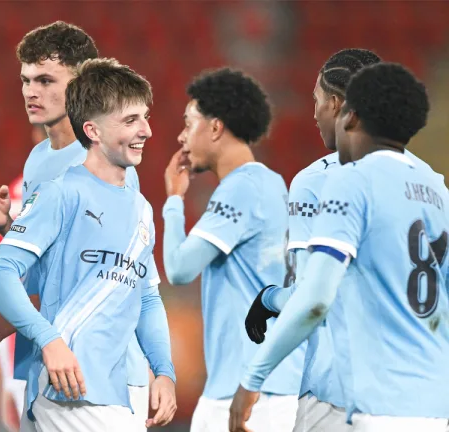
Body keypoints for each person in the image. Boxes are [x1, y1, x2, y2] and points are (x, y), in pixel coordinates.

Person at [230, 62, 449, 432]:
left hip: (370, 405)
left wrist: (253, 377)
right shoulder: (438, 190)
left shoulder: (348, 181)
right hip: (434, 407)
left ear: (350, 115)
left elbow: (314, 298)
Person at [0, 22, 168, 430]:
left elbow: (109, 275)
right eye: (25, 80)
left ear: (80, 84)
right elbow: (66, 252)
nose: (31, 92)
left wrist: (20, 313)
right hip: (48, 366)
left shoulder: (107, 163)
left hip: (98, 372)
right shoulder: (40, 158)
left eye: (45, 80)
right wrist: (11, 226)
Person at [162, 68, 303, 432]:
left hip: (247, 393)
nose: (181, 136)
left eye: (189, 123)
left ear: (215, 127)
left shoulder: (241, 188)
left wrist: (174, 200)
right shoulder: (273, 184)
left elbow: (179, 268)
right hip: (273, 386)